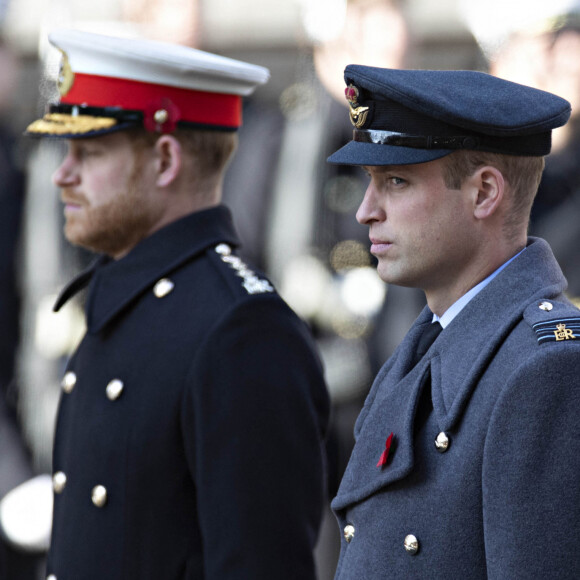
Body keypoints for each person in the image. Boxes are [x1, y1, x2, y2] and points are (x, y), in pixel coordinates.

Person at [25, 29, 330, 580]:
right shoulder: (122, 298)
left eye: (88, 153)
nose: (60, 175)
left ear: (165, 159)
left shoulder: (242, 330)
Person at [326, 65, 580, 578]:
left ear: (484, 193)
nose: (366, 211)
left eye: (395, 181)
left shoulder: (548, 371)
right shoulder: (426, 344)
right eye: (370, 182)